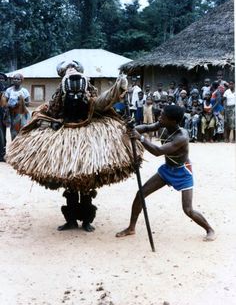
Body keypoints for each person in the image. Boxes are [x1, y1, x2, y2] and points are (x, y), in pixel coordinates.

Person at [6, 61, 144, 231]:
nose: (71, 70)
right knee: (70, 182)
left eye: (73, 68)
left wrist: (118, 87)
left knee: (86, 180)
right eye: (67, 69)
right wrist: (50, 123)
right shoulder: (60, 94)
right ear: (63, 74)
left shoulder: (88, 90)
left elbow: (101, 102)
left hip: (87, 137)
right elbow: (46, 111)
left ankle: (86, 220)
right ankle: (71, 219)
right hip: (66, 137)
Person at [116, 105, 215, 241]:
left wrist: (141, 138)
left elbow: (158, 151)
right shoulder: (162, 125)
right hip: (167, 169)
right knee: (140, 194)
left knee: (188, 210)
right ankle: (131, 228)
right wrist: (131, 129)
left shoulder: (182, 137)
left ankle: (209, 229)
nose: (159, 118)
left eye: (163, 116)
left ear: (173, 121)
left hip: (182, 171)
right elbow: (145, 128)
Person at [4, 73, 30, 140]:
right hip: (12, 113)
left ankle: (21, 147)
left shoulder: (24, 91)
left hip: (22, 114)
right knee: (13, 131)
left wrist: (21, 102)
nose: (15, 80)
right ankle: (14, 146)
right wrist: (10, 105)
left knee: (22, 130)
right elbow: (5, 102)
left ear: (21, 81)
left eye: (18, 79)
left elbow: (28, 103)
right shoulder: (9, 90)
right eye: (14, 79)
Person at [0, 73, 9, 162]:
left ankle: (2, 155)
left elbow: (7, 105)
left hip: (2, 116)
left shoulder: (7, 91)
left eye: (2, 79)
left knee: (2, 136)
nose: (1, 80)